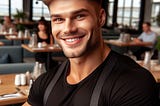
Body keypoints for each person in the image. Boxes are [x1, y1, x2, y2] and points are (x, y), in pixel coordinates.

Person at [23, 0, 160, 106]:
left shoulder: (133, 84)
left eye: (79, 16)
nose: (68, 29)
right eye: (58, 19)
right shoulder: (44, 83)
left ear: (100, 17)